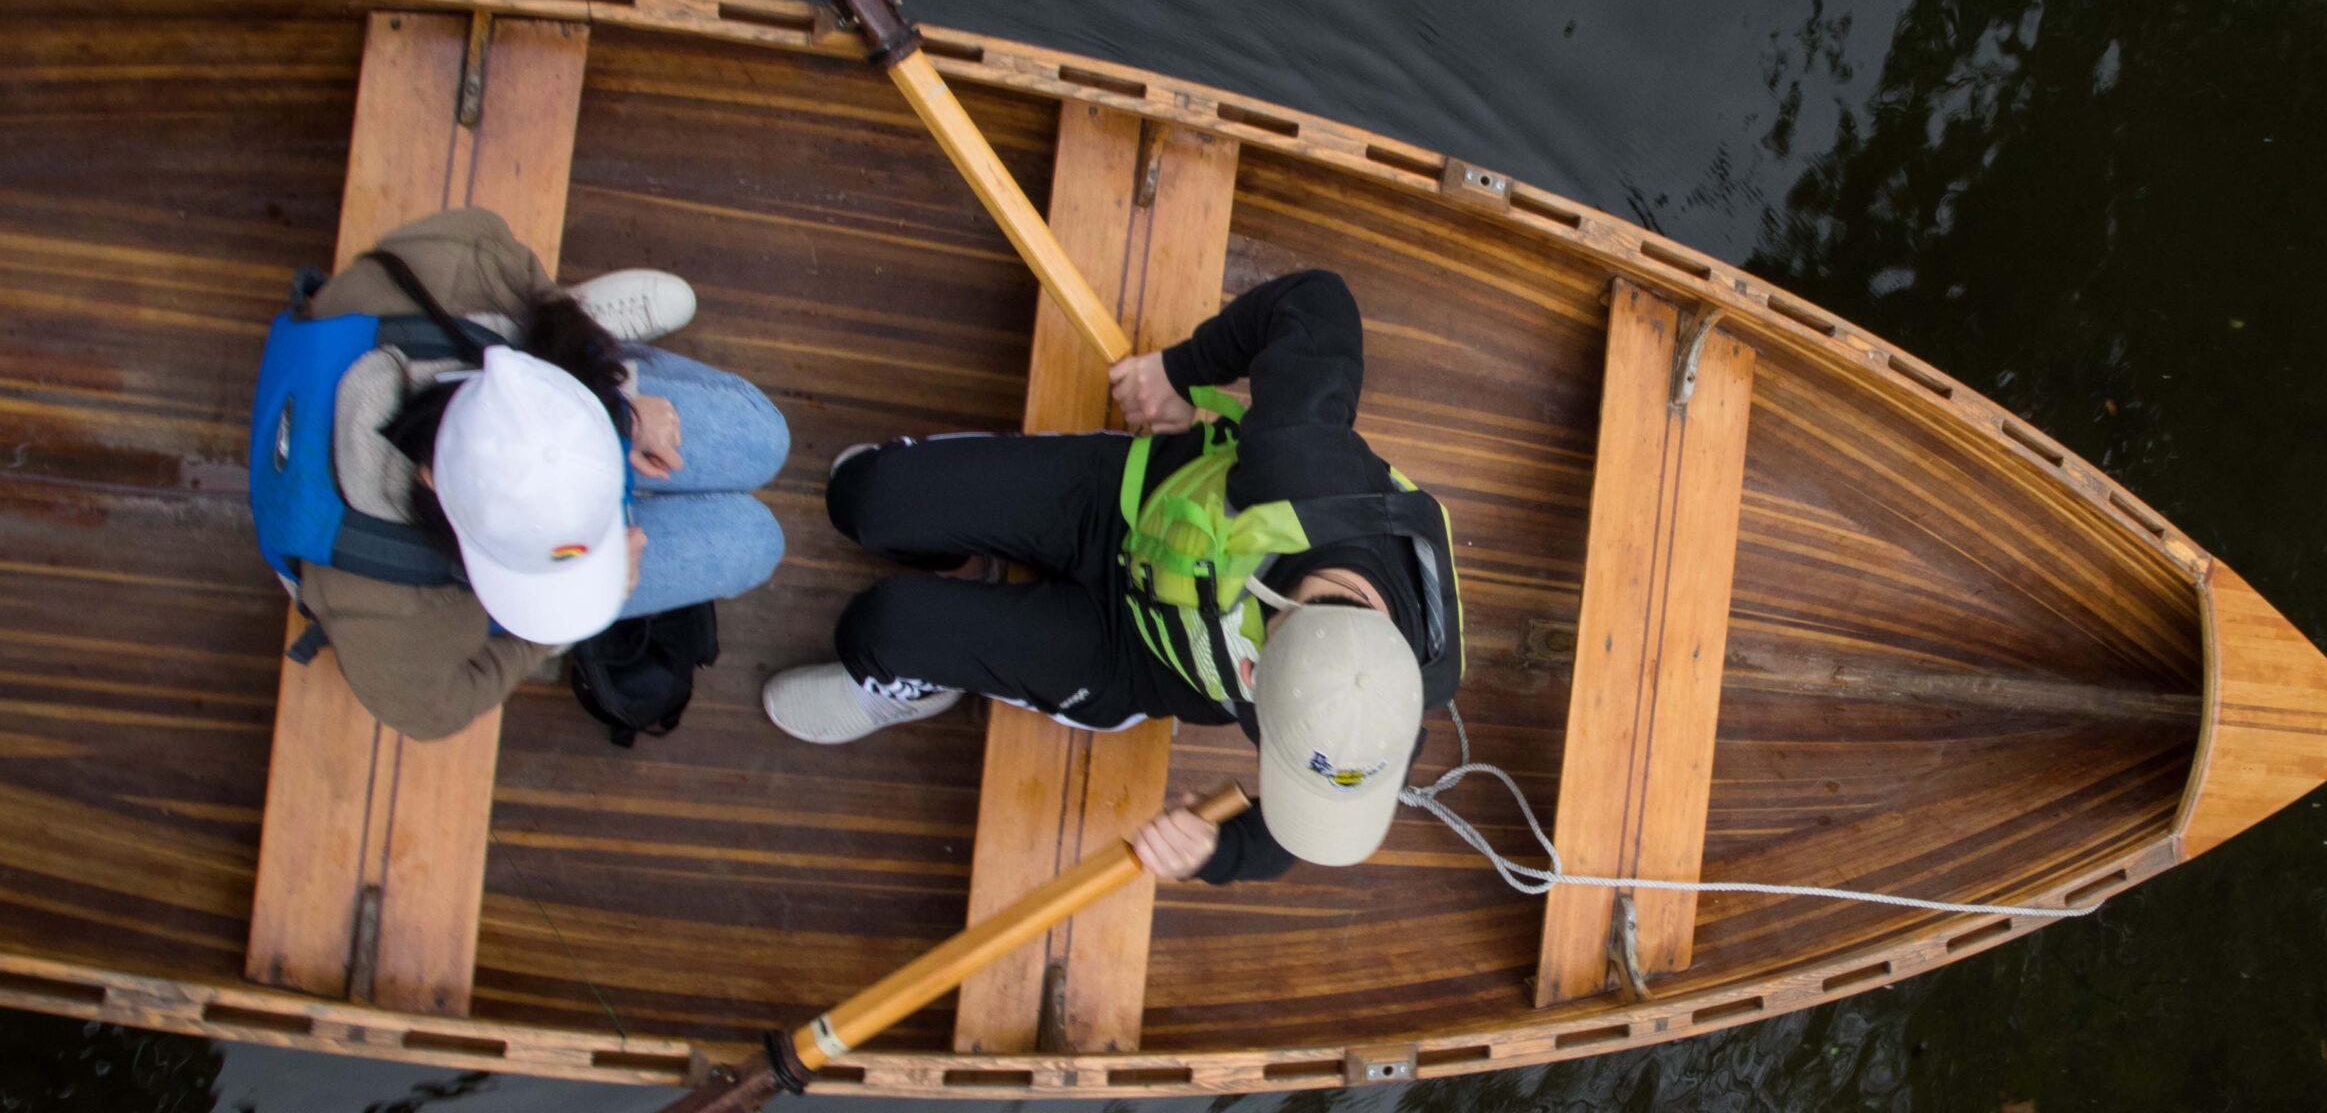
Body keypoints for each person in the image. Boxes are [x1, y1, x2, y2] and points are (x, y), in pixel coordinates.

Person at [762, 271, 1463, 883]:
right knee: (861, 497)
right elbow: (1319, 299)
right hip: (1119, 504)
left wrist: (1214, 852)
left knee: (879, 629)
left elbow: (1294, 836)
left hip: (1131, 660)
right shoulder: (1304, 464)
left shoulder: (1377, 717)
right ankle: (936, 543)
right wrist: (1182, 370)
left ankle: (919, 682)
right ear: (1254, 676)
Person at [248, 208, 788, 740]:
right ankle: (595, 337)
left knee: (766, 440)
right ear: (431, 480)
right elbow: (435, 710)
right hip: (382, 556)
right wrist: (551, 633)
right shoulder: (391, 616)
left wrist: (622, 398)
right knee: (757, 543)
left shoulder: (460, 261)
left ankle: (593, 337)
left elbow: (529, 284)